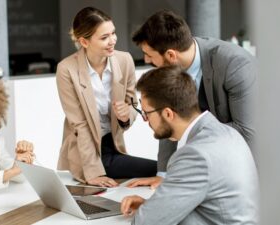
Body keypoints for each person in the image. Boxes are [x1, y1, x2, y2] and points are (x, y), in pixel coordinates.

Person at [129, 9, 258, 188]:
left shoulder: (235, 65)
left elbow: (247, 132)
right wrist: (163, 174)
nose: (146, 60)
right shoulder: (170, 71)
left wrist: (187, 132)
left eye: (150, 55)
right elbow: (169, 121)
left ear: (171, 55)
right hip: (206, 168)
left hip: (248, 170)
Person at [121, 66, 259, 225]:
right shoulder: (226, 133)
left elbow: (146, 222)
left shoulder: (195, 155)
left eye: (146, 114)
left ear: (168, 114)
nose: (146, 121)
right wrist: (151, 206)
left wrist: (150, 212)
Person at [56, 7, 156, 187]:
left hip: (113, 144)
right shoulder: (66, 69)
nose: (112, 41)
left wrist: (126, 116)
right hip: (86, 150)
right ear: (84, 42)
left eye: (113, 33)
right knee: (158, 169)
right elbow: (79, 124)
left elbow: (132, 104)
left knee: (161, 169)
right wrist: (93, 172)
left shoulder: (125, 61)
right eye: (104, 37)